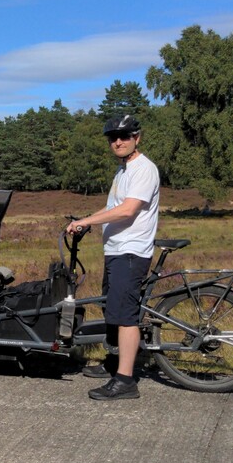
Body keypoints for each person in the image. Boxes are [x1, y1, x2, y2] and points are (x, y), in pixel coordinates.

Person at [66, 114, 160, 401]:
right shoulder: (123, 171)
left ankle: (125, 380)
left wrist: (88, 220)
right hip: (117, 250)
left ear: (137, 138)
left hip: (131, 252)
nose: (118, 142)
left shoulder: (143, 169)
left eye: (124, 137)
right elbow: (116, 208)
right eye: (113, 138)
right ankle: (114, 364)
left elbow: (127, 211)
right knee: (114, 311)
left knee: (126, 316)